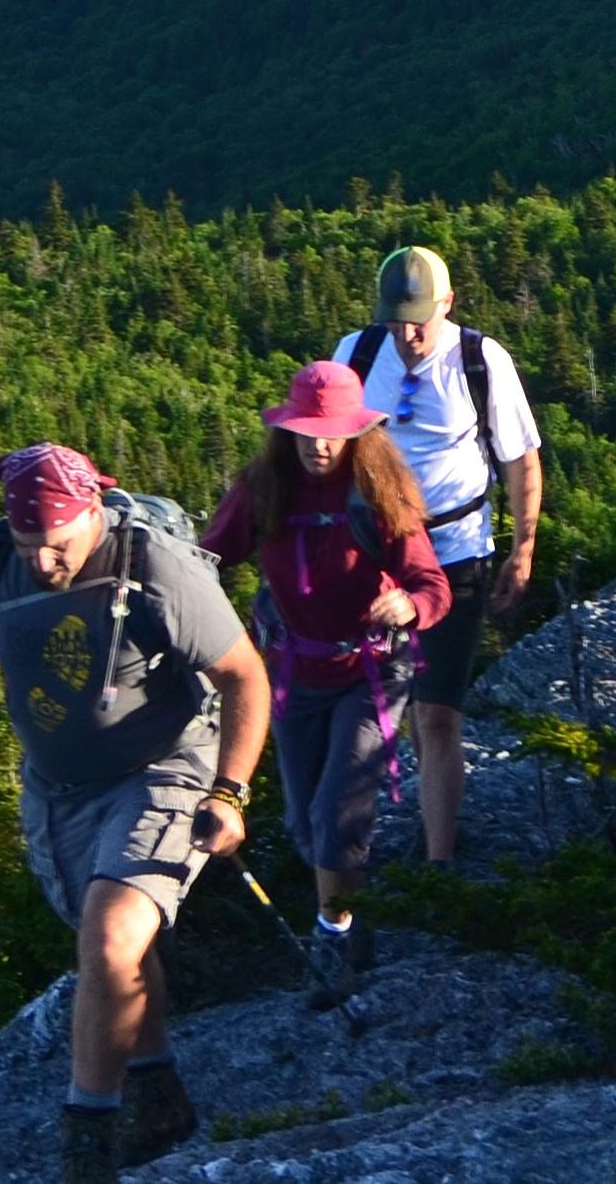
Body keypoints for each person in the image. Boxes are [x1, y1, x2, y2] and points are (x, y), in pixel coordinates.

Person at [0, 443, 268, 1184]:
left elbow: (243, 676)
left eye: (58, 545)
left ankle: (87, 1140)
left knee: (109, 936)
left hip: (166, 768)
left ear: (93, 513)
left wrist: (229, 790)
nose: (43, 562)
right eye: (27, 547)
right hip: (59, 790)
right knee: (115, 944)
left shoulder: (153, 565)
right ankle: (159, 1093)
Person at [198, 362, 451, 1005]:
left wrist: (410, 606)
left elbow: (431, 584)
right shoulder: (263, 488)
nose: (320, 445)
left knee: (339, 815)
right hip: (292, 674)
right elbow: (209, 558)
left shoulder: (380, 491)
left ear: (358, 433)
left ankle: (332, 940)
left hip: (371, 674)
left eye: (334, 433)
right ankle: (351, 922)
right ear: (287, 432)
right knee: (307, 824)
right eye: (308, 433)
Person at [330, 246, 540, 867]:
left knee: (438, 710)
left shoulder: (480, 360)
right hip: (374, 558)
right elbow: (324, 451)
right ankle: (427, 822)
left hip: (456, 554)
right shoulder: (356, 355)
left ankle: (439, 861)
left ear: (448, 304)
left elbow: (520, 458)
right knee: (396, 706)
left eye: (419, 320)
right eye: (396, 320)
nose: (408, 334)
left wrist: (523, 549)